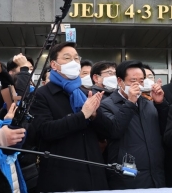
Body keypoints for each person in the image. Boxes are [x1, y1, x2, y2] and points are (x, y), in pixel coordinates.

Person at [29, 42, 111, 192]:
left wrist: (94, 115)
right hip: (61, 175)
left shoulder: (85, 93)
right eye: (67, 58)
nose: (73, 62)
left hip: (93, 172)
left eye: (76, 58)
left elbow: (107, 131)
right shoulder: (41, 95)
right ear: (54, 65)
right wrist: (82, 115)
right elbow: (45, 130)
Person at [100, 60, 167, 189]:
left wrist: (160, 104)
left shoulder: (148, 103)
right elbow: (114, 131)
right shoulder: (107, 105)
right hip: (126, 173)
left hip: (155, 173)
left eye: (141, 81)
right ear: (120, 81)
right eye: (133, 80)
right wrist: (130, 102)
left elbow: (164, 130)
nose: (138, 85)